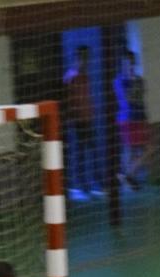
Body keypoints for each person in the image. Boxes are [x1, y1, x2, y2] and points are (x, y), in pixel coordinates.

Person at [64, 45, 102, 199]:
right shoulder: (70, 77)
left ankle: (96, 182)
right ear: (77, 59)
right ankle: (82, 185)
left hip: (89, 119)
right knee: (81, 153)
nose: (86, 62)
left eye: (88, 59)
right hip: (78, 121)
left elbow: (86, 97)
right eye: (84, 59)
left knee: (93, 151)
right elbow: (69, 100)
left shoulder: (86, 76)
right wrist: (72, 116)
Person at [113, 50, 152, 190]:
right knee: (131, 150)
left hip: (140, 118)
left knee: (146, 149)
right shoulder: (119, 80)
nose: (130, 66)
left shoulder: (138, 79)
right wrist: (134, 84)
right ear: (122, 64)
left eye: (131, 62)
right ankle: (128, 177)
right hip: (128, 119)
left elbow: (141, 98)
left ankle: (128, 176)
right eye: (126, 63)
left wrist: (146, 119)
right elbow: (127, 100)